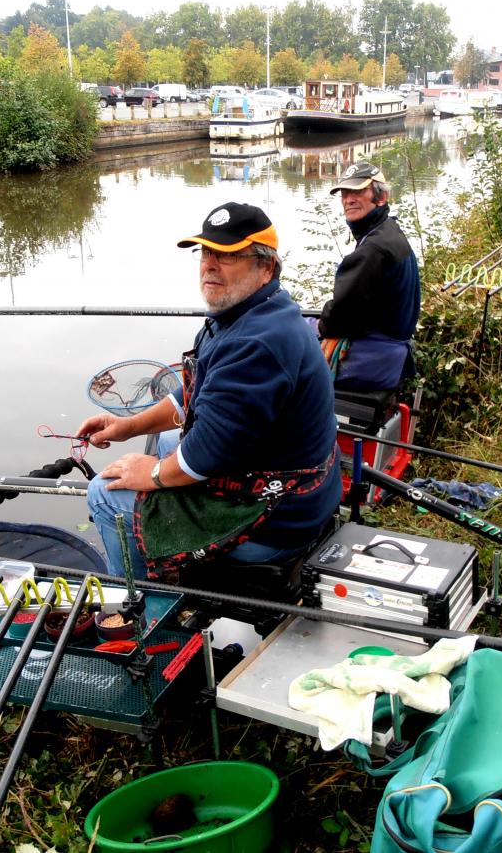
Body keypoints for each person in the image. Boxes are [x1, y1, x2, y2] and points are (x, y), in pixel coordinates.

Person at [78, 202, 341, 580]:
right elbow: (194, 394)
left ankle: (144, 614)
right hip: (295, 488)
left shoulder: (257, 343)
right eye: (206, 252)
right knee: (169, 441)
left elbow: (203, 456)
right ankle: (160, 557)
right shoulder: (248, 314)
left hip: (277, 518)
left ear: (266, 267)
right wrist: (129, 426)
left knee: (104, 493)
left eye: (229, 255)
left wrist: (151, 474)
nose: (210, 264)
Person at [317, 162, 421, 392]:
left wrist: (327, 330)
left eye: (357, 191)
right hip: (390, 351)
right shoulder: (389, 230)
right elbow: (359, 305)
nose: (348, 199)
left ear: (381, 197)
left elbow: (338, 315)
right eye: (345, 193)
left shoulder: (373, 250)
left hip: (375, 359)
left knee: (285, 347)